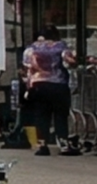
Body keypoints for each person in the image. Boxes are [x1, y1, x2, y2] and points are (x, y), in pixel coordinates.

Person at [22, 28, 76, 156]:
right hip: (59, 85)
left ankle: (42, 146)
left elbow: (26, 68)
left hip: (39, 85)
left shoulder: (31, 49)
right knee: (60, 115)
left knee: (41, 116)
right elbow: (69, 62)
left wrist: (28, 86)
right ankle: (63, 145)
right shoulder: (61, 47)